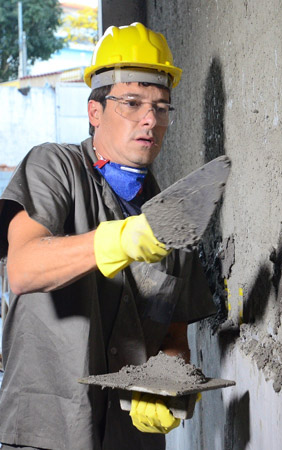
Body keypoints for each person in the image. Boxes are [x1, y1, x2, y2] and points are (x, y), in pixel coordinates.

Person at [0, 23, 217, 449]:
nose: (150, 120)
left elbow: (175, 340)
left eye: (162, 107)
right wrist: (119, 239)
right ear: (95, 112)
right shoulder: (53, 168)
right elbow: (22, 270)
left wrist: (166, 385)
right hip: (47, 431)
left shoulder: (172, 215)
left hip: (129, 436)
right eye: (132, 103)